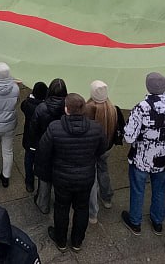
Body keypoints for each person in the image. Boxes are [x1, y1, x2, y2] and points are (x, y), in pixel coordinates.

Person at [36, 93, 105, 253]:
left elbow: (43, 151)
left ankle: (60, 241)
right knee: (82, 208)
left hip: (62, 178)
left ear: (66, 109)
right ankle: (77, 242)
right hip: (86, 177)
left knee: (61, 208)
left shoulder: (54, 128)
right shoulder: (96, 128)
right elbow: (101, 149)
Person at [122, 72, 165, 235]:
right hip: (163, 157)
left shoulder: (142, 107)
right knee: (160, 189)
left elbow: (129, 137)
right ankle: (157, 222)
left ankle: (135, 222)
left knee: (137, 189)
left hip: (141, 157)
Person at [84, 80, 120, 224]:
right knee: (104, 171)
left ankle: (92, 212)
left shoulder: (87, 109)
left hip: (91, 150)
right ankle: (107, 198)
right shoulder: (113, 109)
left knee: (92, 180)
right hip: (107, 148)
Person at [31, 79, 69, 214]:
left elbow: (34, 127)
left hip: (44, 145)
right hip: (63, 146)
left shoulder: (41, 108)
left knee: (45, 177)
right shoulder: (68, 107)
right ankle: (61, 205)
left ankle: (43, 204)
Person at [21, 81, 48, 193]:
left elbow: (23, 105)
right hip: (42, 141)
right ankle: (41, 187)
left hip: (30, 139)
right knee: (42, 163)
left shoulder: (28, 104)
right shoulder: (46, 108)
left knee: (28, 160)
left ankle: (29, 182)